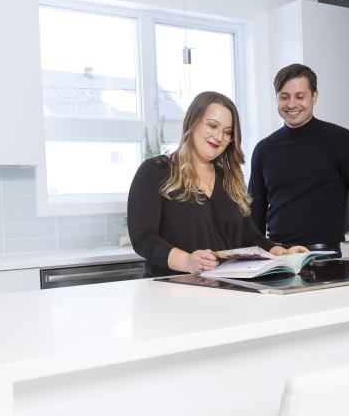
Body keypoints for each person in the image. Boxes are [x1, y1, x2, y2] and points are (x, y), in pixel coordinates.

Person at [128, 91, 306, 278]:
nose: (219, 136)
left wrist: (283, 253)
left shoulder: (230, 180)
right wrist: (188, 261)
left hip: (226, 289)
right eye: (212, 126)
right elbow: (144, 239)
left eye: (227, 132)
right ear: (193, 122)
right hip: (174, 290)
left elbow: (250, 238)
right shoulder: (155, 172)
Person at [248, 64, 349, 261]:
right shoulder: (263, 149)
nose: (292, 104)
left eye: (300, 96)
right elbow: (254, 213)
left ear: (314, 96)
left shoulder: (343, 141)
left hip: (325, 259)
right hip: (276, 259)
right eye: (284, 96)